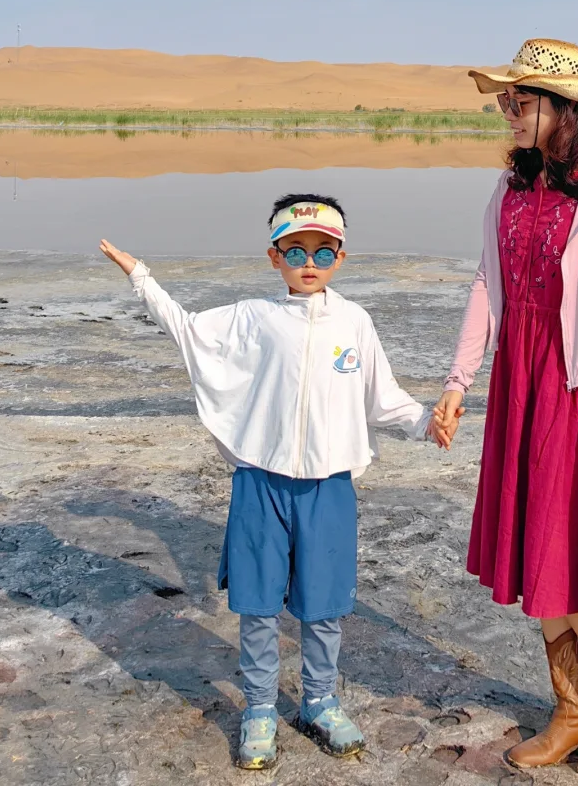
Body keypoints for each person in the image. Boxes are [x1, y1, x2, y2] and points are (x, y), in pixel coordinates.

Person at [101, 193, 441, 771]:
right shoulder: (252, 317)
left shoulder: (355, 322)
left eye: (324, 252)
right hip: (260, 482)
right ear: (274, 255)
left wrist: (428, 421)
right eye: (296, 250)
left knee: (323, 605)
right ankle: (259, 709)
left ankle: (320, 701)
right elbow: (186, 331)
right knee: (257, 606)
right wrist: (142, 277)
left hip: (328, 486)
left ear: (341, 256)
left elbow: (383, 399)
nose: (310, 262)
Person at [431, 39, 578, 778]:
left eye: (521, 101)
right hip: (519, 386)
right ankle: (572, 711)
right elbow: (485, 284)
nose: (508, 112)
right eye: (506, 101)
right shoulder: (507, 191)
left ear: (565, 111)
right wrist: (458, 381)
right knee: (540, 548)